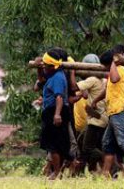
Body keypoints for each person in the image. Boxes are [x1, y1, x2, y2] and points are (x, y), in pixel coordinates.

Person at [39, 48, 72, 179]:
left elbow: (59, 97)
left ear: (52, 66)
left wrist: (57, 114)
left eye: (45, 65)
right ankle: (57, 171)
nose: (44, 67)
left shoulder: (58, 77)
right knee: (54, 143)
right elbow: (41, 78)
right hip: (51, 111)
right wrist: (39, 67)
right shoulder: (53, 74)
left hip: (56, 111)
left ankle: (57, 172)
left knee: (54, 145)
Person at [74, 54, 108, 174]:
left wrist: (72, 73)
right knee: (96, 146)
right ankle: (101, 169)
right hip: (103, 118)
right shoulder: (104, 79)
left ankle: (108, 160)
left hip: (95, 120)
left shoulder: (92, 80)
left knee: (87, 148)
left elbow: (73, 87)